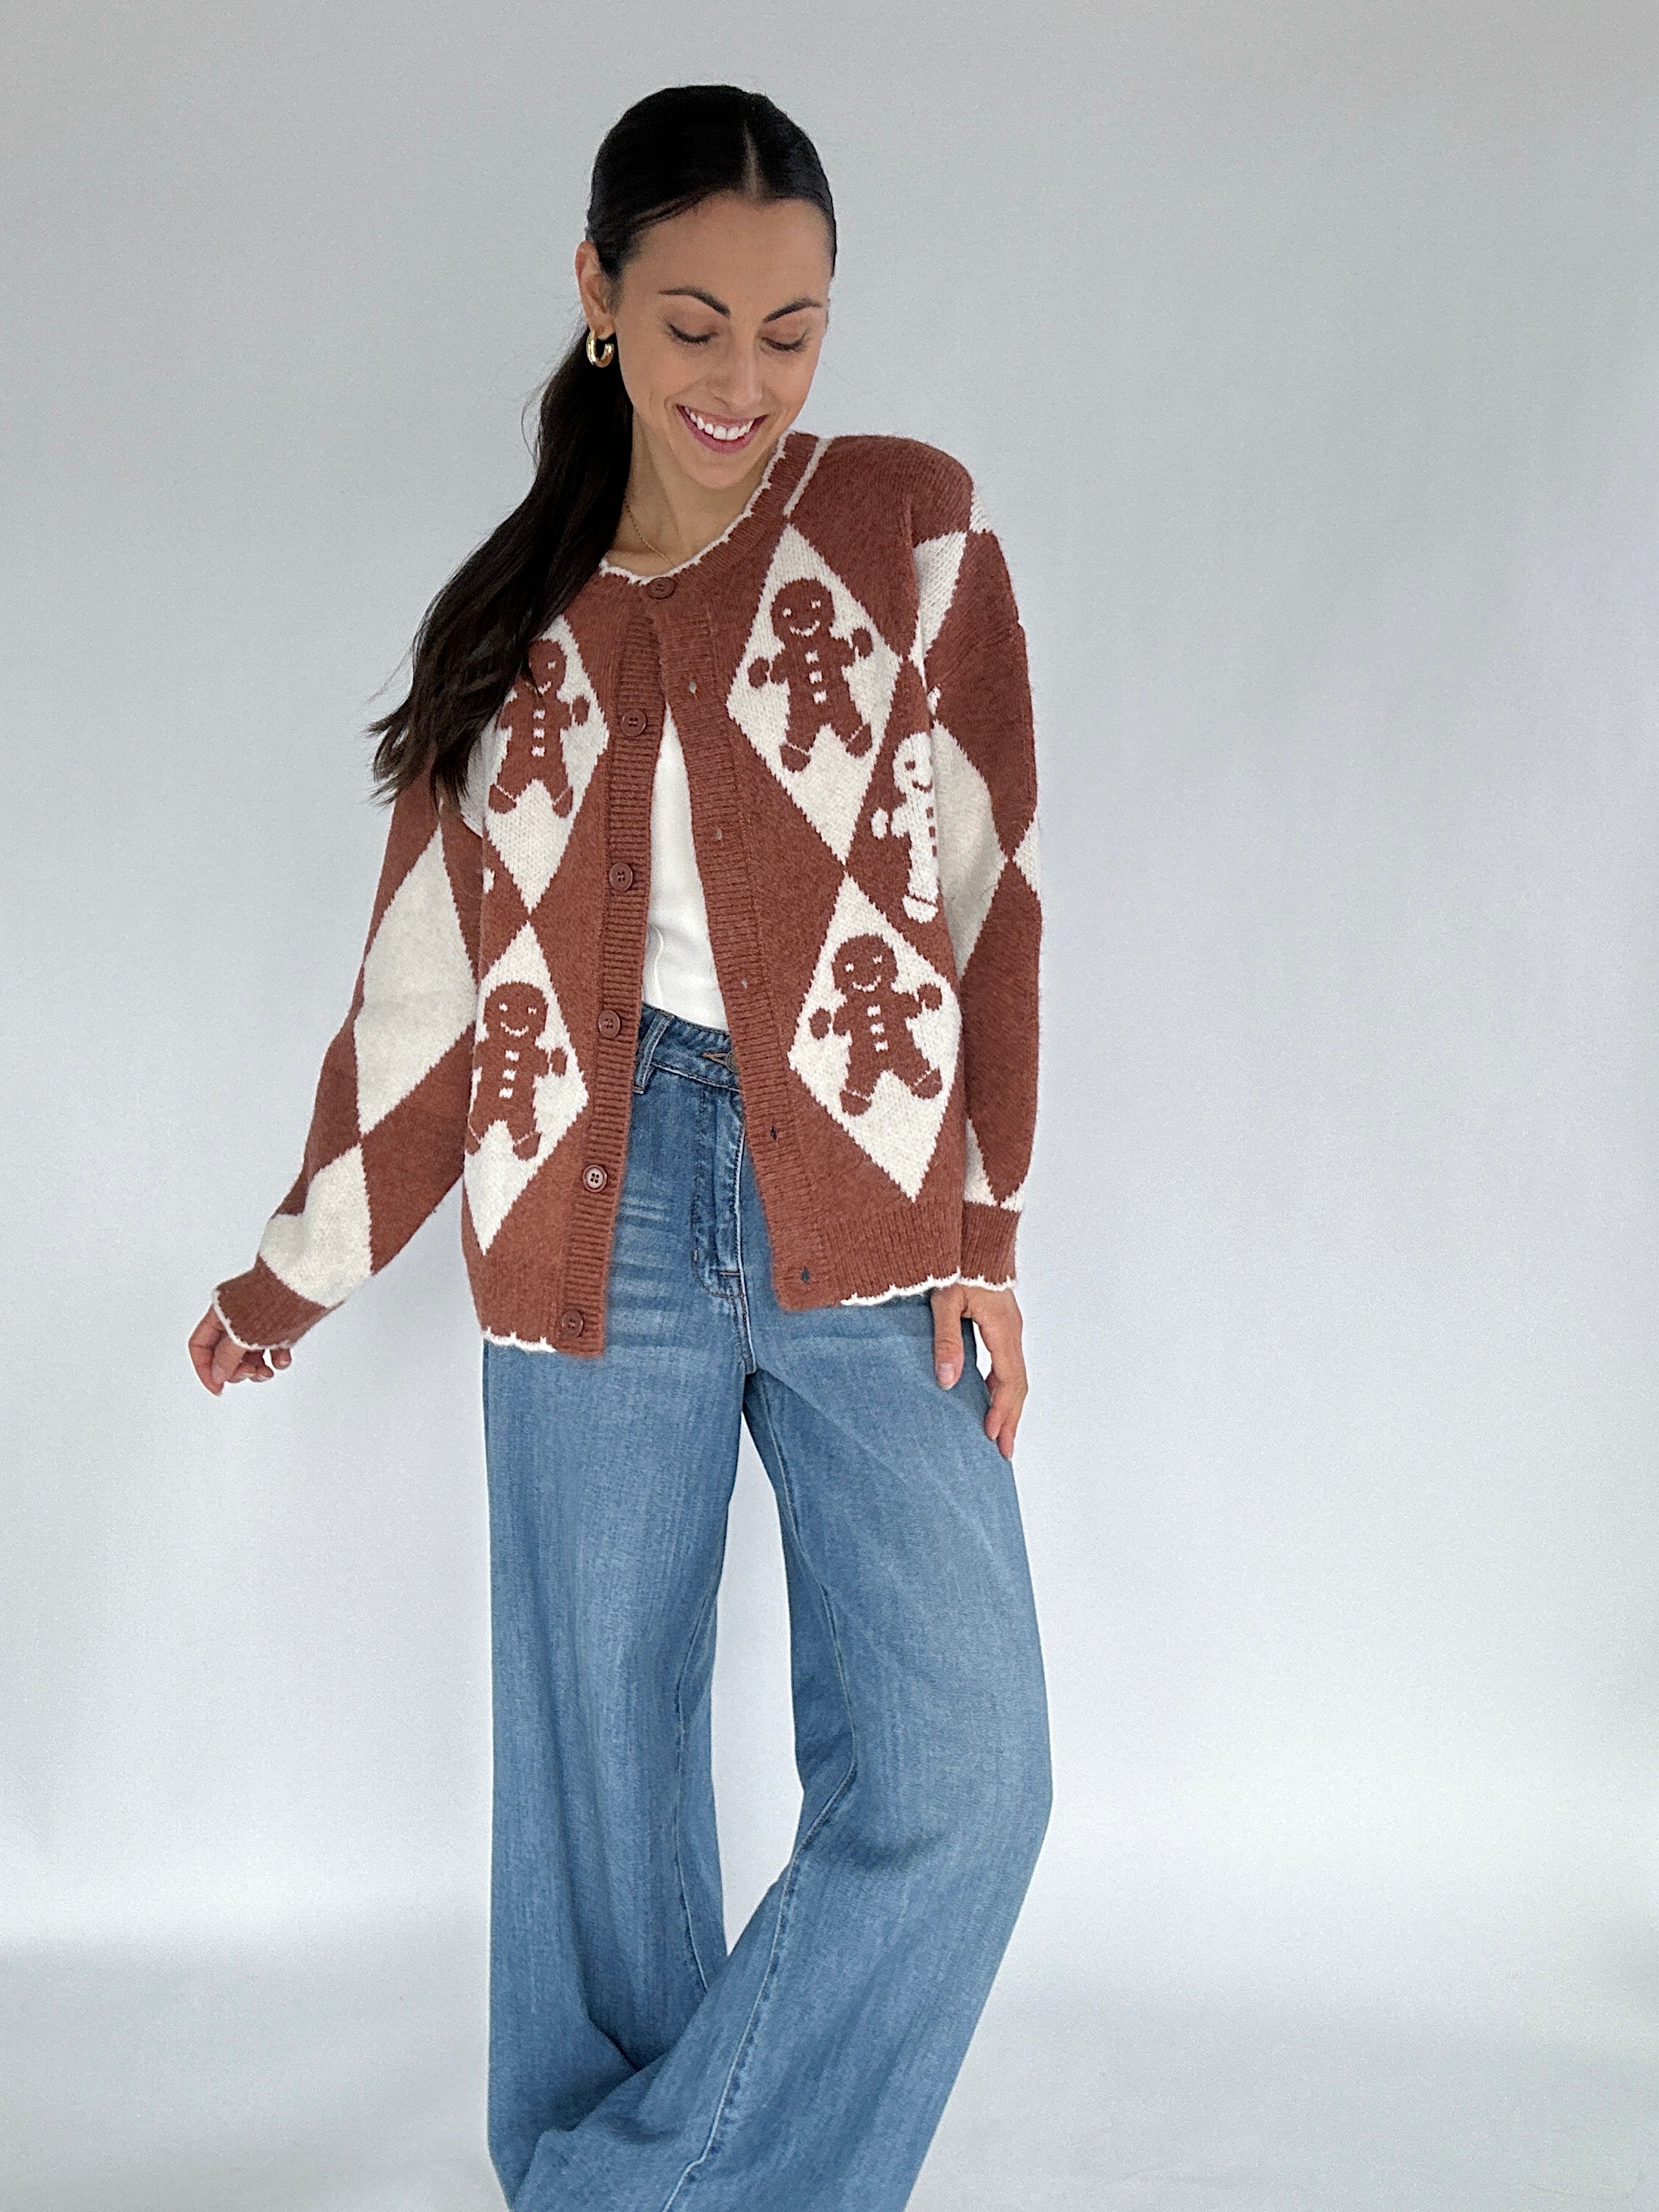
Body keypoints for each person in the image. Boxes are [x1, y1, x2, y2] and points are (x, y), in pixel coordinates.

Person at [189, 83, 1050, 2212]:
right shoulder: (514, 629)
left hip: (862, 1201)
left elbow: (984, 887)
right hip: (587, 1199)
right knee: (601, 1797)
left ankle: (612, 2199)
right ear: (595, 296)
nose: (744, 379)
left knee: (965, 1775)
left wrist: (986, 1222)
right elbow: (419, 998)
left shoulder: (907, 530)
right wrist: (290, 1276)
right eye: (692, 325)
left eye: (791, 329)